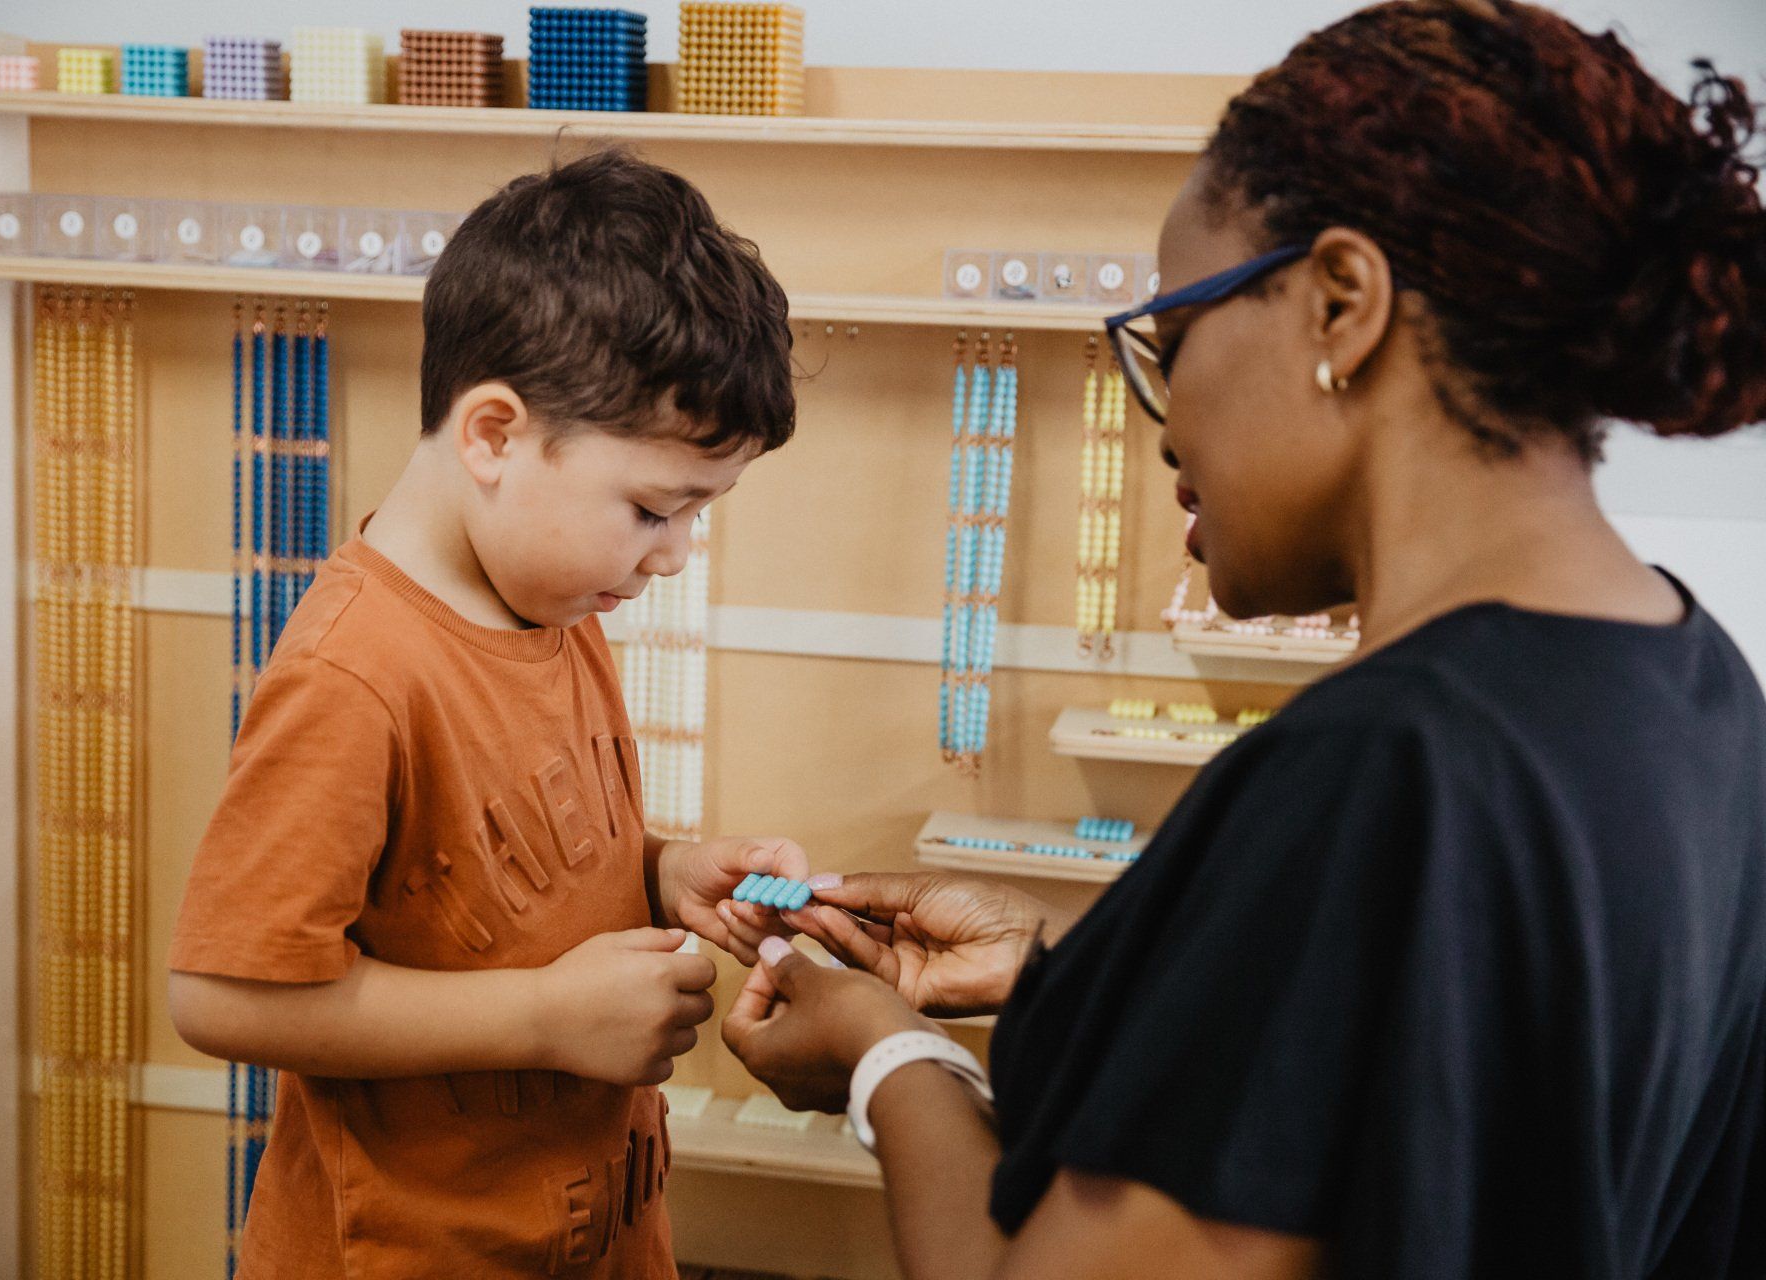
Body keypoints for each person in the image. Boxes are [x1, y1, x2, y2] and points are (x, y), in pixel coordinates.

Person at [720, 2, 1766, 1277]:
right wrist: (1072, 976)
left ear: (1340, 305)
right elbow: (1420, 1078)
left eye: (1170, 345)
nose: (1164, 425)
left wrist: (888, 1051)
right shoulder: (1698, 686)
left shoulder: (1374, 769)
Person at [167, 150, 807, 1277]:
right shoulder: (354, 672)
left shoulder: (556, 601)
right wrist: (541, 1019)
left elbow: (486, 872)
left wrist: (665, 870)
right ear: (496, 435)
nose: (675, 555)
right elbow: (223, 993)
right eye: (656, 508)